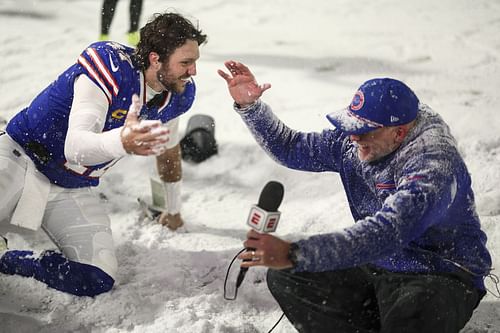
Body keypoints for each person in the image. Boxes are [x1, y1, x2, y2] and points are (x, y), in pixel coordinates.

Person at [218, 61, 492, 333]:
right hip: (377, 264)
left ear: (399, 133)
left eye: (364, 132)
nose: (354, 138)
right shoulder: (355, 139)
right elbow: (291, 148)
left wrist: (295, 252)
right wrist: (251, 108)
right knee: (288, 276)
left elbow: (389, 231)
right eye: (351, 127)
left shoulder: (431, 163)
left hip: (439, 274)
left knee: (412, 313)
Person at [0, 12, 207, 297]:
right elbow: (75, 147)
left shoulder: (178, 93)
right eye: (186, 62)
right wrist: (121, 141)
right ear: (155, 58)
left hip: (71, 186)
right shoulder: (111, 66)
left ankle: (10, 259)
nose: (193, 71)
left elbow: (169, 150)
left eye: (195, 61)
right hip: (20, 156)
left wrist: (172, 210)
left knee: (96, 277)